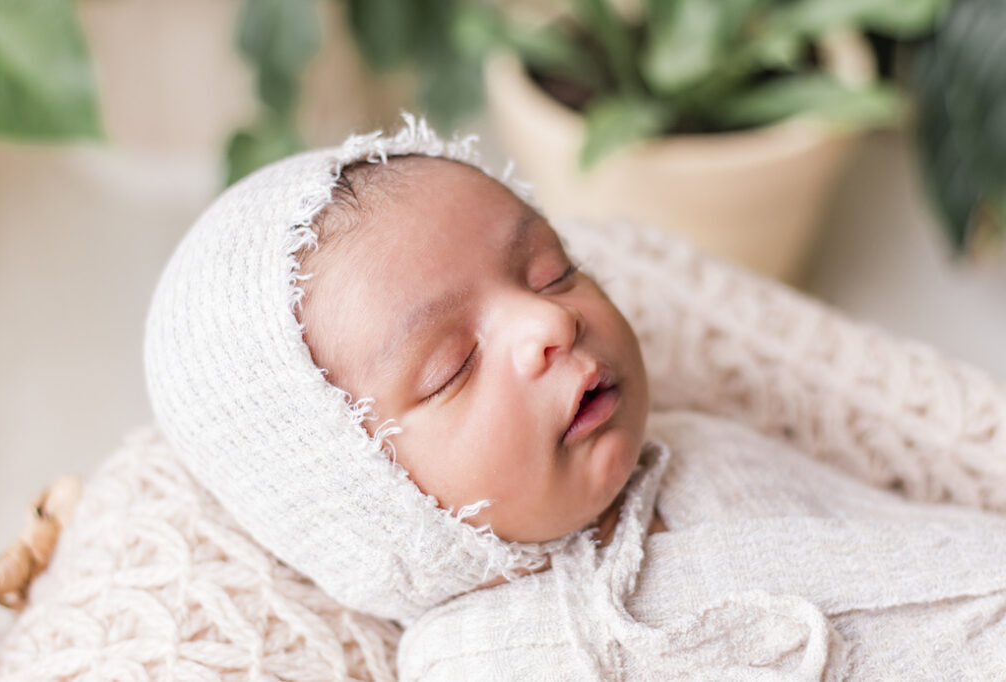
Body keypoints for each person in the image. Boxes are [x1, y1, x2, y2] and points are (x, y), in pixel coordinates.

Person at [137, 117, 1006, 680]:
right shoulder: (486, 660)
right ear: (365, 502)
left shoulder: (700, 437)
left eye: (552, 270)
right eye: (450, 368)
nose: (545, 322)